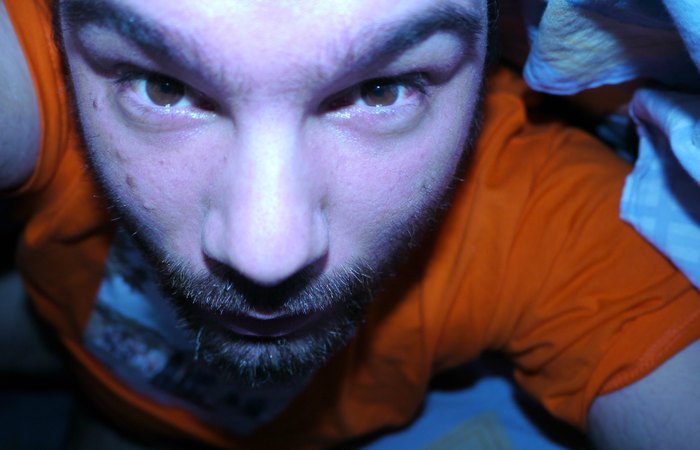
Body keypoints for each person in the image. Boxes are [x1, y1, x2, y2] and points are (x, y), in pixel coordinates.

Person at [1, 0, 699, 448]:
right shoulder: (41, 74)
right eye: (165, 86)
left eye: (379, 89)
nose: (265, 254)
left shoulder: (539, 226)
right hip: (60, 333)